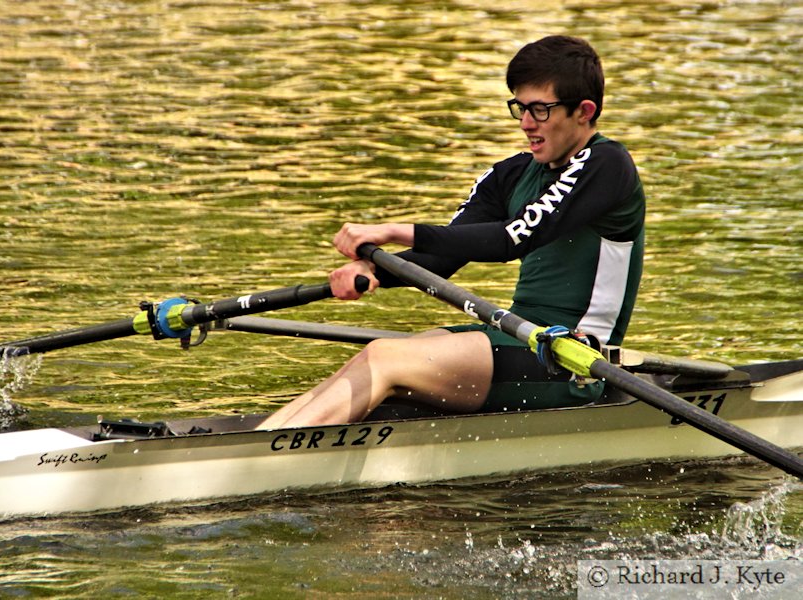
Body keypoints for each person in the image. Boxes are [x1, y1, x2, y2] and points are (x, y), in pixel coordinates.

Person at [256, 35, 645, 430]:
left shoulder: (607, 165)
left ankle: (258, 465)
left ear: (584, 111)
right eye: (520, 108)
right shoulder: (510, 175)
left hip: (572, 359)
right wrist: (374, 271)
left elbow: (511, 239)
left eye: (540, 110)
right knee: (375, 357)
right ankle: (260, 439)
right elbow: (441, 257)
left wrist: (393, 230)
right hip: (520, 337)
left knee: (384, 358)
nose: (527, 123)